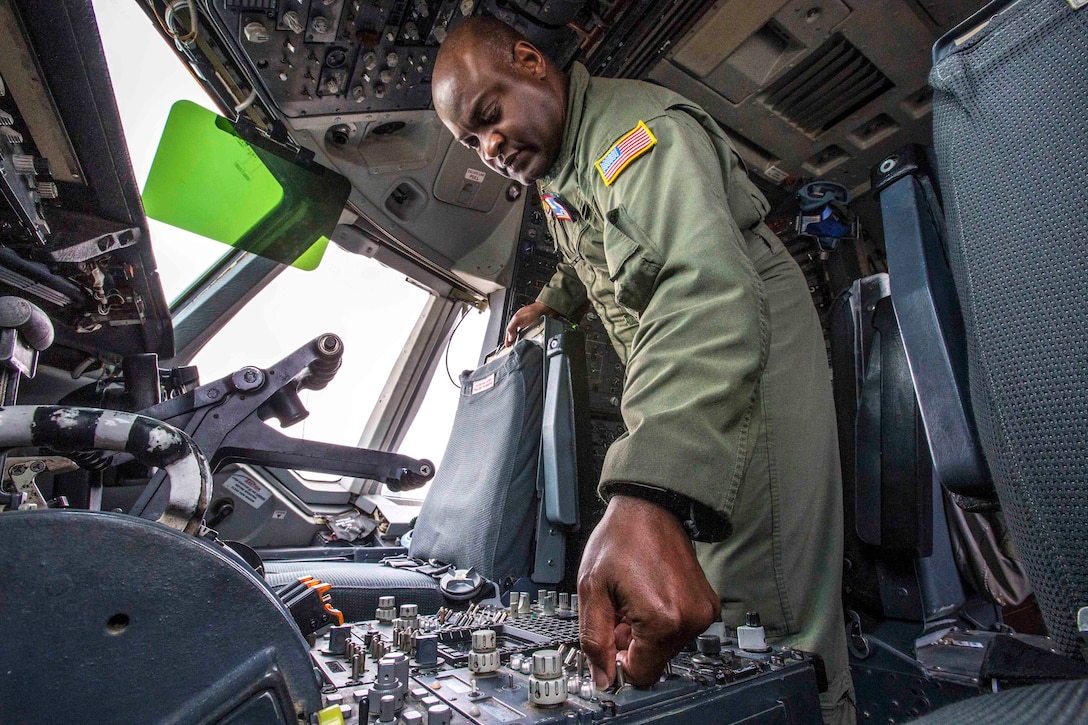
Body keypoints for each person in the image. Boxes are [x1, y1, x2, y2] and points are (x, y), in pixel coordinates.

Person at [432, 17, 855, 723]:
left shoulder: (637, 135)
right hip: (686, 355)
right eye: (473, 141)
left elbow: (697, 284)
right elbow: (588, 250)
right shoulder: (561, 168)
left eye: (489, 115)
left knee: (767, 610)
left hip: (744, 339)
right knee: (716, 603)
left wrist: (644, 491)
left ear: (531, 63)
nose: (491, 147)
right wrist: (552, 303)